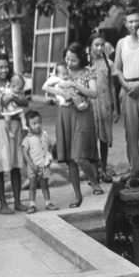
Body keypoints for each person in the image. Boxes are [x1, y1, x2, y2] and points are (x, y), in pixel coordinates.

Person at [46, 43, 102, 207]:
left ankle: (94, 180)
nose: (69, 63)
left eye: (73, 60)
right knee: (70, 159)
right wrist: (60, 93)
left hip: (82, 114)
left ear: (81, 59)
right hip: (64, 115)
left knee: (80, 156)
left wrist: (75, 85)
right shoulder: (61, 71)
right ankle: (77, 195)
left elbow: (94, 93)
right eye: (67, 59)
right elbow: (48, 90)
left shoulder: (87, 72)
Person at [114, 7, 139, 179]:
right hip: (127, 88)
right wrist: (127, 86)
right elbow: (117, 69)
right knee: (131, 132)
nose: (134, 24)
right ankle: (135, 167)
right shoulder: (122, 43)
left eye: (137, 20)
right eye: (130, 21)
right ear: (125, 23)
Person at [0, 54, 28, 213]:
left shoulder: (13, 83)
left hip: (15, 127)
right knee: (0, 165)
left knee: (16, 164)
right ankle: (3, 204)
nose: (4, 70)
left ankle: (17, 201)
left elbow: (25, 102)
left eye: (6, 66)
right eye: (0, 67)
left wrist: (14, 99)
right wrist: (4, 109)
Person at [89, 33, 116, 182]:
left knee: (104, 139)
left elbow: (112, 87)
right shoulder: (86, 65)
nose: (99, 48)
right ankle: (94, 172)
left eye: (102, 44)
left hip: (105, 104)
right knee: (92, 138)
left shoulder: (109, 64)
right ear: (90, 47)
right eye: (96, 45)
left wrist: (115, 107)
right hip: (90, 105)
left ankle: (104, 169)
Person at [21, 110, 58, 212]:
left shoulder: (45, 134)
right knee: (32, 185)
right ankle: (32, 204)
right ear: (28, 126)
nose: (37, 125)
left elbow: (49, 147)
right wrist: (31, 165)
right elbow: (25, 153)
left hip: (44, 165)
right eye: (34, 124)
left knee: (44, 184)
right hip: (33, 166)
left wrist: (49, 158)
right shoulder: (27, 139)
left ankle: (48, 203)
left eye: (39, 123)